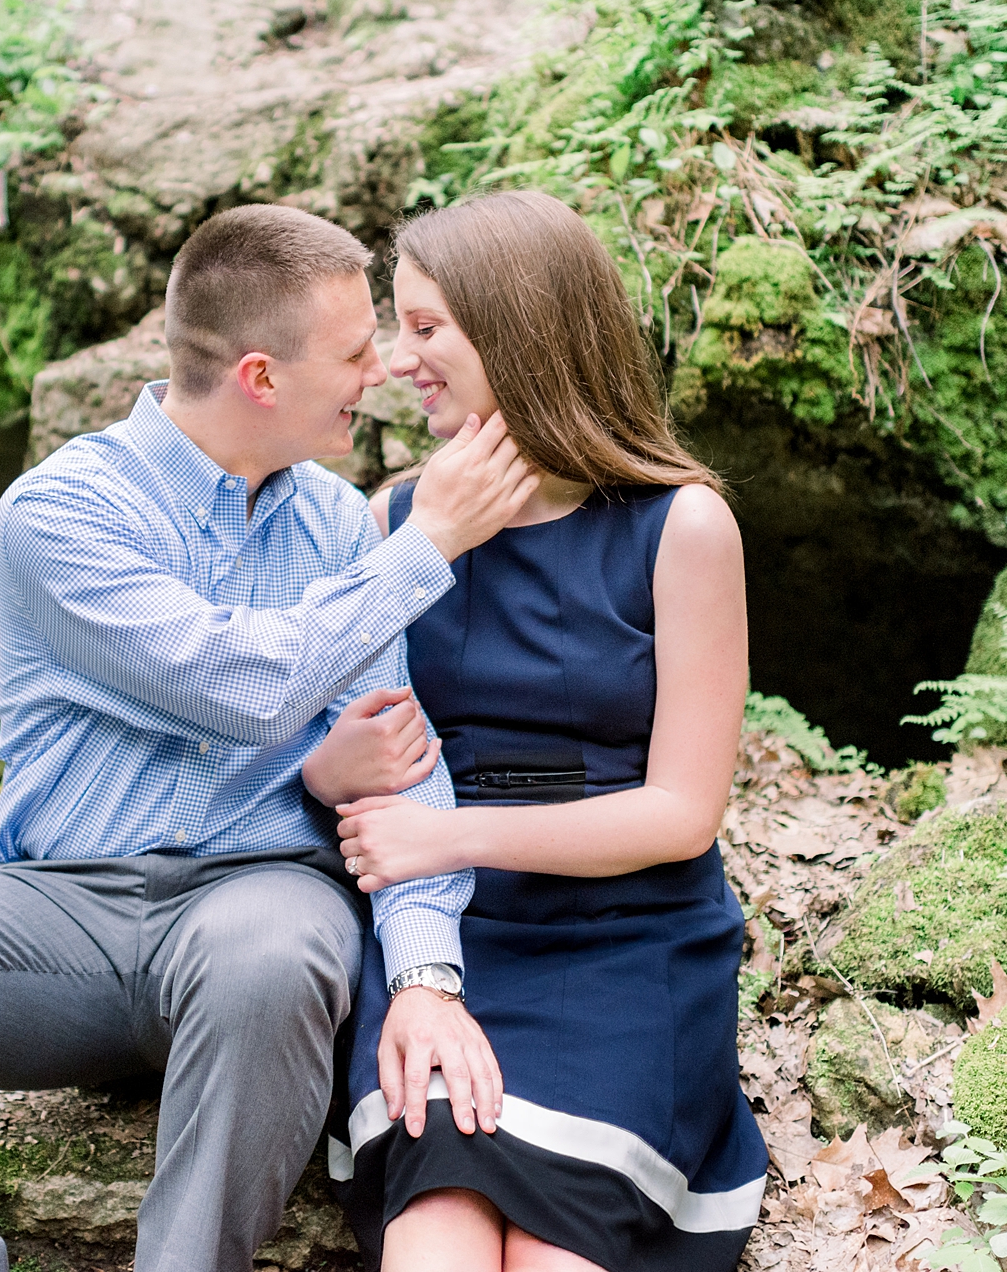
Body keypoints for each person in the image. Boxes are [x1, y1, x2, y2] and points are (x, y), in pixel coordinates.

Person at [0, 203, 540, 1272]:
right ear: (260, 378)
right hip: (62, 912)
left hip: (254, 902)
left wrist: (425, 971)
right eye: (354, 350)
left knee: (272, 957)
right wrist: (427, 545)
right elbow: (233, 684)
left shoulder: (334, 524)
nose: (378, 372)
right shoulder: (62, 514)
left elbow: (402, 762)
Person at [325, 190, 768, 1272]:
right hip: (447, 938)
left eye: (426, 327)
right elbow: (338, 748)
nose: (396, 358)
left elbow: (680, 815)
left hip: (628, 938)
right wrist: (344, 780)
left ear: (516, 328)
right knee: (434, 1239)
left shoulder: (681, 525)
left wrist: (451, 834)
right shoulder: (392, 521)